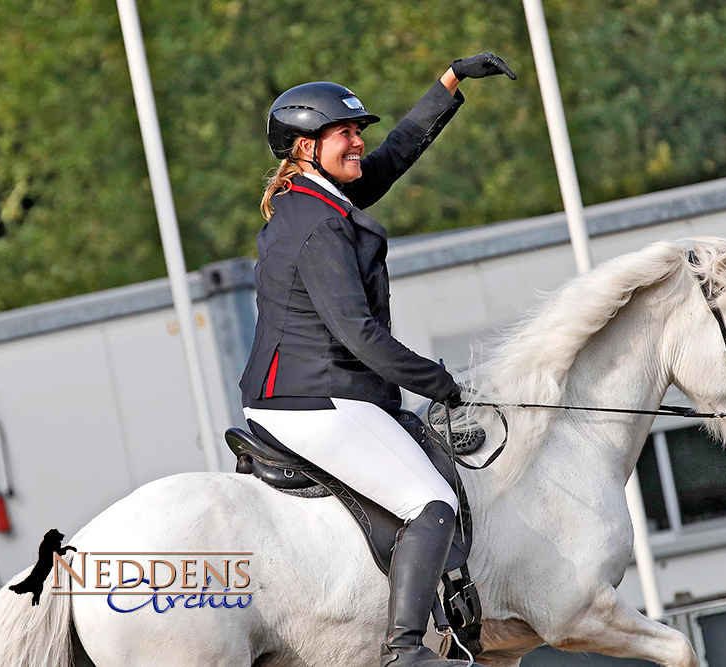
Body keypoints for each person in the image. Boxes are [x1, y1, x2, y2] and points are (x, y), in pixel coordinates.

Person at [239, 53, 516, 667]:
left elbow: (391, 157)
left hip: (314, 393)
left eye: (357, 130)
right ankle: (406, 650)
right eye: (346, 133)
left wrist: (448, 83)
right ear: (307, 148)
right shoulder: (316, 227)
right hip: (316, 400)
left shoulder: (317, 201)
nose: (358, 141)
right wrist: (440, 383)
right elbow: (360, 334)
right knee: (433, 505)